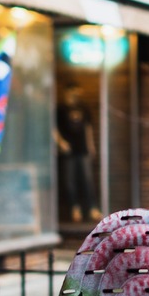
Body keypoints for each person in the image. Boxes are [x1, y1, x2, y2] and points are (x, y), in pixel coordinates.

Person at [55, 85, 99, 223]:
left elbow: (87, 128)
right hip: (68, 151)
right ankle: (75, 208)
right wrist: (60, 142)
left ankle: (92, 208)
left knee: (87, 179)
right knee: (70, 181)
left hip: (82, 149)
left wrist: (91, 145)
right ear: (67, 92)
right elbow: (53, 128)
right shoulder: (60, 109)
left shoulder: (83, 108)